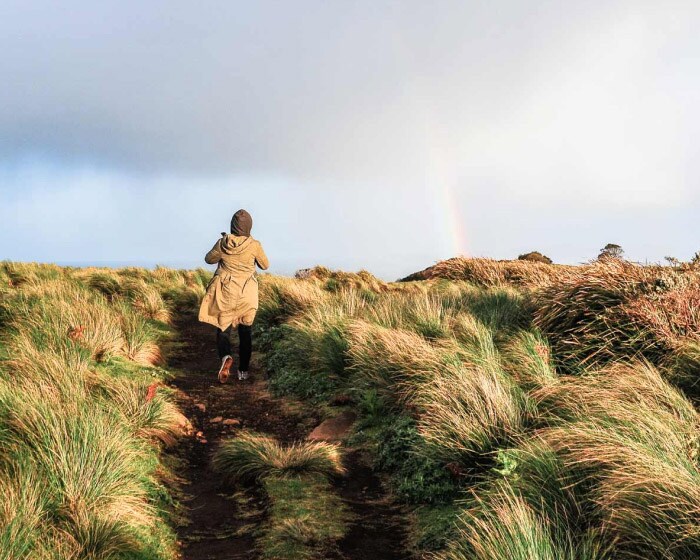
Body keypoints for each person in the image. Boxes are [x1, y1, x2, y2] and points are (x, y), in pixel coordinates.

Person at [199, 209, 269, 383]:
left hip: (227, 292)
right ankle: (243, 372)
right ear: (249, 226)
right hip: (248, 294)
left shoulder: (223, 243)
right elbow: (265, 265)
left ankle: (225, 357)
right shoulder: (254, 245)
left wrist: (222, 247)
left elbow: (209, 259)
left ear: (233, 225)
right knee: (246, 332)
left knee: (223, 328)